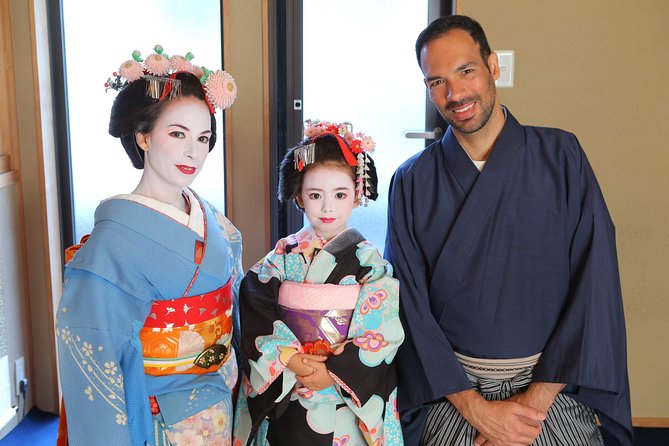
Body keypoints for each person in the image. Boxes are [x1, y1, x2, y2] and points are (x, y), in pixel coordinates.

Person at [385, 15, 633, 446]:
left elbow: (595, 282)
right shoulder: (410, 181)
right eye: (436, 82)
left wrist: (528, 411)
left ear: (493, 66)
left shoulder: (562, 156)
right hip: (453, 395)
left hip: (550, 391)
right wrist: (478, 411)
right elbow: (407, 304)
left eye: (466, 71)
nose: (455, 94)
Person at [56, 46, 244, 445]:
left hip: (218, 399)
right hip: (157, 415)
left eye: (203, 137)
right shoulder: (113, 241)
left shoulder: (215, 222)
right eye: (177, 134)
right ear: (143, 136)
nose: (194, 151)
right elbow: (94, 350)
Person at [237, 121, 404, 445]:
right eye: (315, 194)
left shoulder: (370, 264)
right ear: (298, 196)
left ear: (357, 196)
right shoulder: (284, 256)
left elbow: (382, 331)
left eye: (340, 194)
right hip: (291, 388)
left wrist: (333, 371)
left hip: (344, 401)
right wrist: (292, 359)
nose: (328, 206)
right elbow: (254, 298)